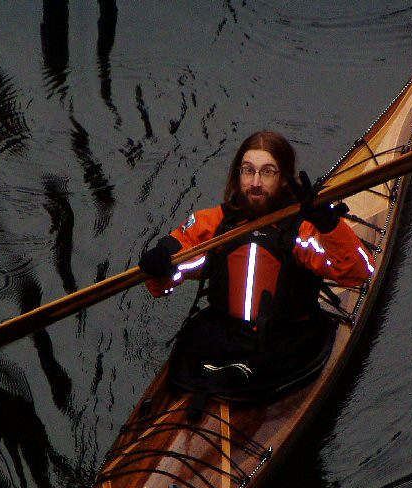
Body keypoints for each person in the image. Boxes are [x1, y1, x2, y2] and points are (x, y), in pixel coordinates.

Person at [139, 130, 375, 401]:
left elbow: (359, 273)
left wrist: (329, 226)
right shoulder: (217, 223)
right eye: (248, 171)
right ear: (237, 174)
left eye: (267, 172)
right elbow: (169, 275)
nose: (255, 183)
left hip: (285, 343)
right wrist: (160, 263)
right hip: (223, 337)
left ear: (284, 179)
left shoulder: (305, 230)